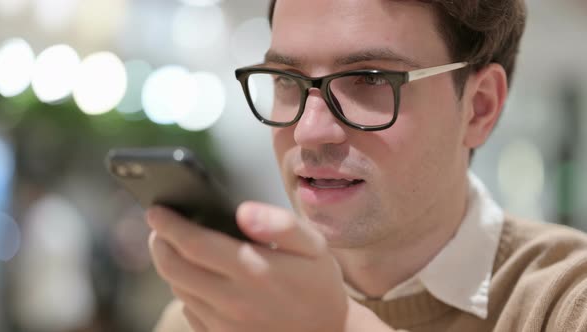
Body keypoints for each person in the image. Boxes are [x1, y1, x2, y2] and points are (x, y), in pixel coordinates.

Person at [148, 0, 587, 331]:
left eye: (371, 80)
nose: (309, 130)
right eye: (286, 79)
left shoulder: (564, 301)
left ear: (479, 108)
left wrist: (336, 324)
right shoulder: (216, 313)